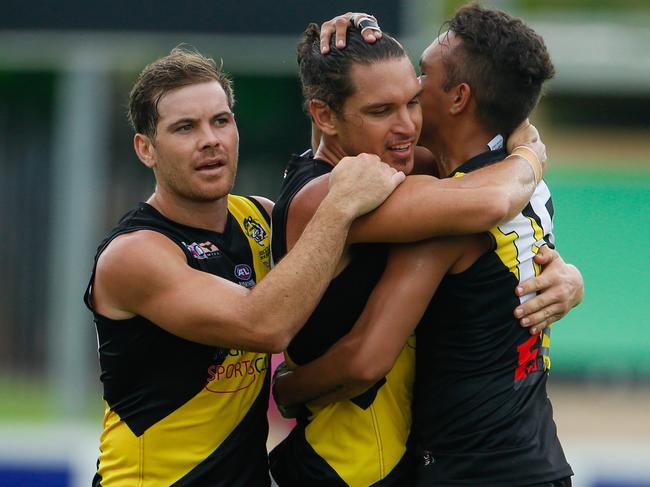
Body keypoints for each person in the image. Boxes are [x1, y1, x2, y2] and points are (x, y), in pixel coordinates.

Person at [268, 16, 581, 487]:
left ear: (458, 97)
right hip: (493, 460)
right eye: (380, 109)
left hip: (463, 469)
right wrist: (529, 155)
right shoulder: (502, 188)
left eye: (416, 92)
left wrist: (285, 389)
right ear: (324, 115)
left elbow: (365, 361)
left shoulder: (452, 206)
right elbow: (493, 199)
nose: (405, 119)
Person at [82, 47, 407, 487]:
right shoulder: (134, 254)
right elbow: (264, 326)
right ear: (146, 149)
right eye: (184, 128)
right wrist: (340, 205)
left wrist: (531, 260)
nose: (210, 139)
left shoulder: (259, 218)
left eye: (221, 120)